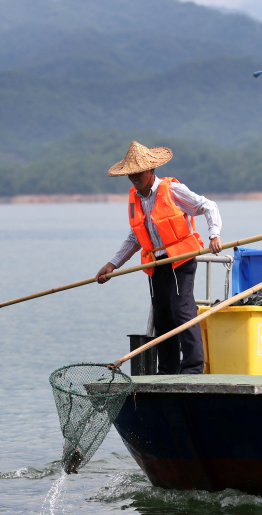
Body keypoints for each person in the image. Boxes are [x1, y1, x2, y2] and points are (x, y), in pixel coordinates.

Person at [96, 141, 222, 375]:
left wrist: (214, 234)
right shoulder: (135, 198)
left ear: (151, 170)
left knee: (181, 310)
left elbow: (208, 206)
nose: (134, 178)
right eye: (131, 174)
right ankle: (168, 370)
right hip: (156, 264)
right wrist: (112, 264)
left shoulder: (171, 190)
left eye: (139, 172)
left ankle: (193, 369)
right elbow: (135, 237)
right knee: (162, 316)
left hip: (180, 259)